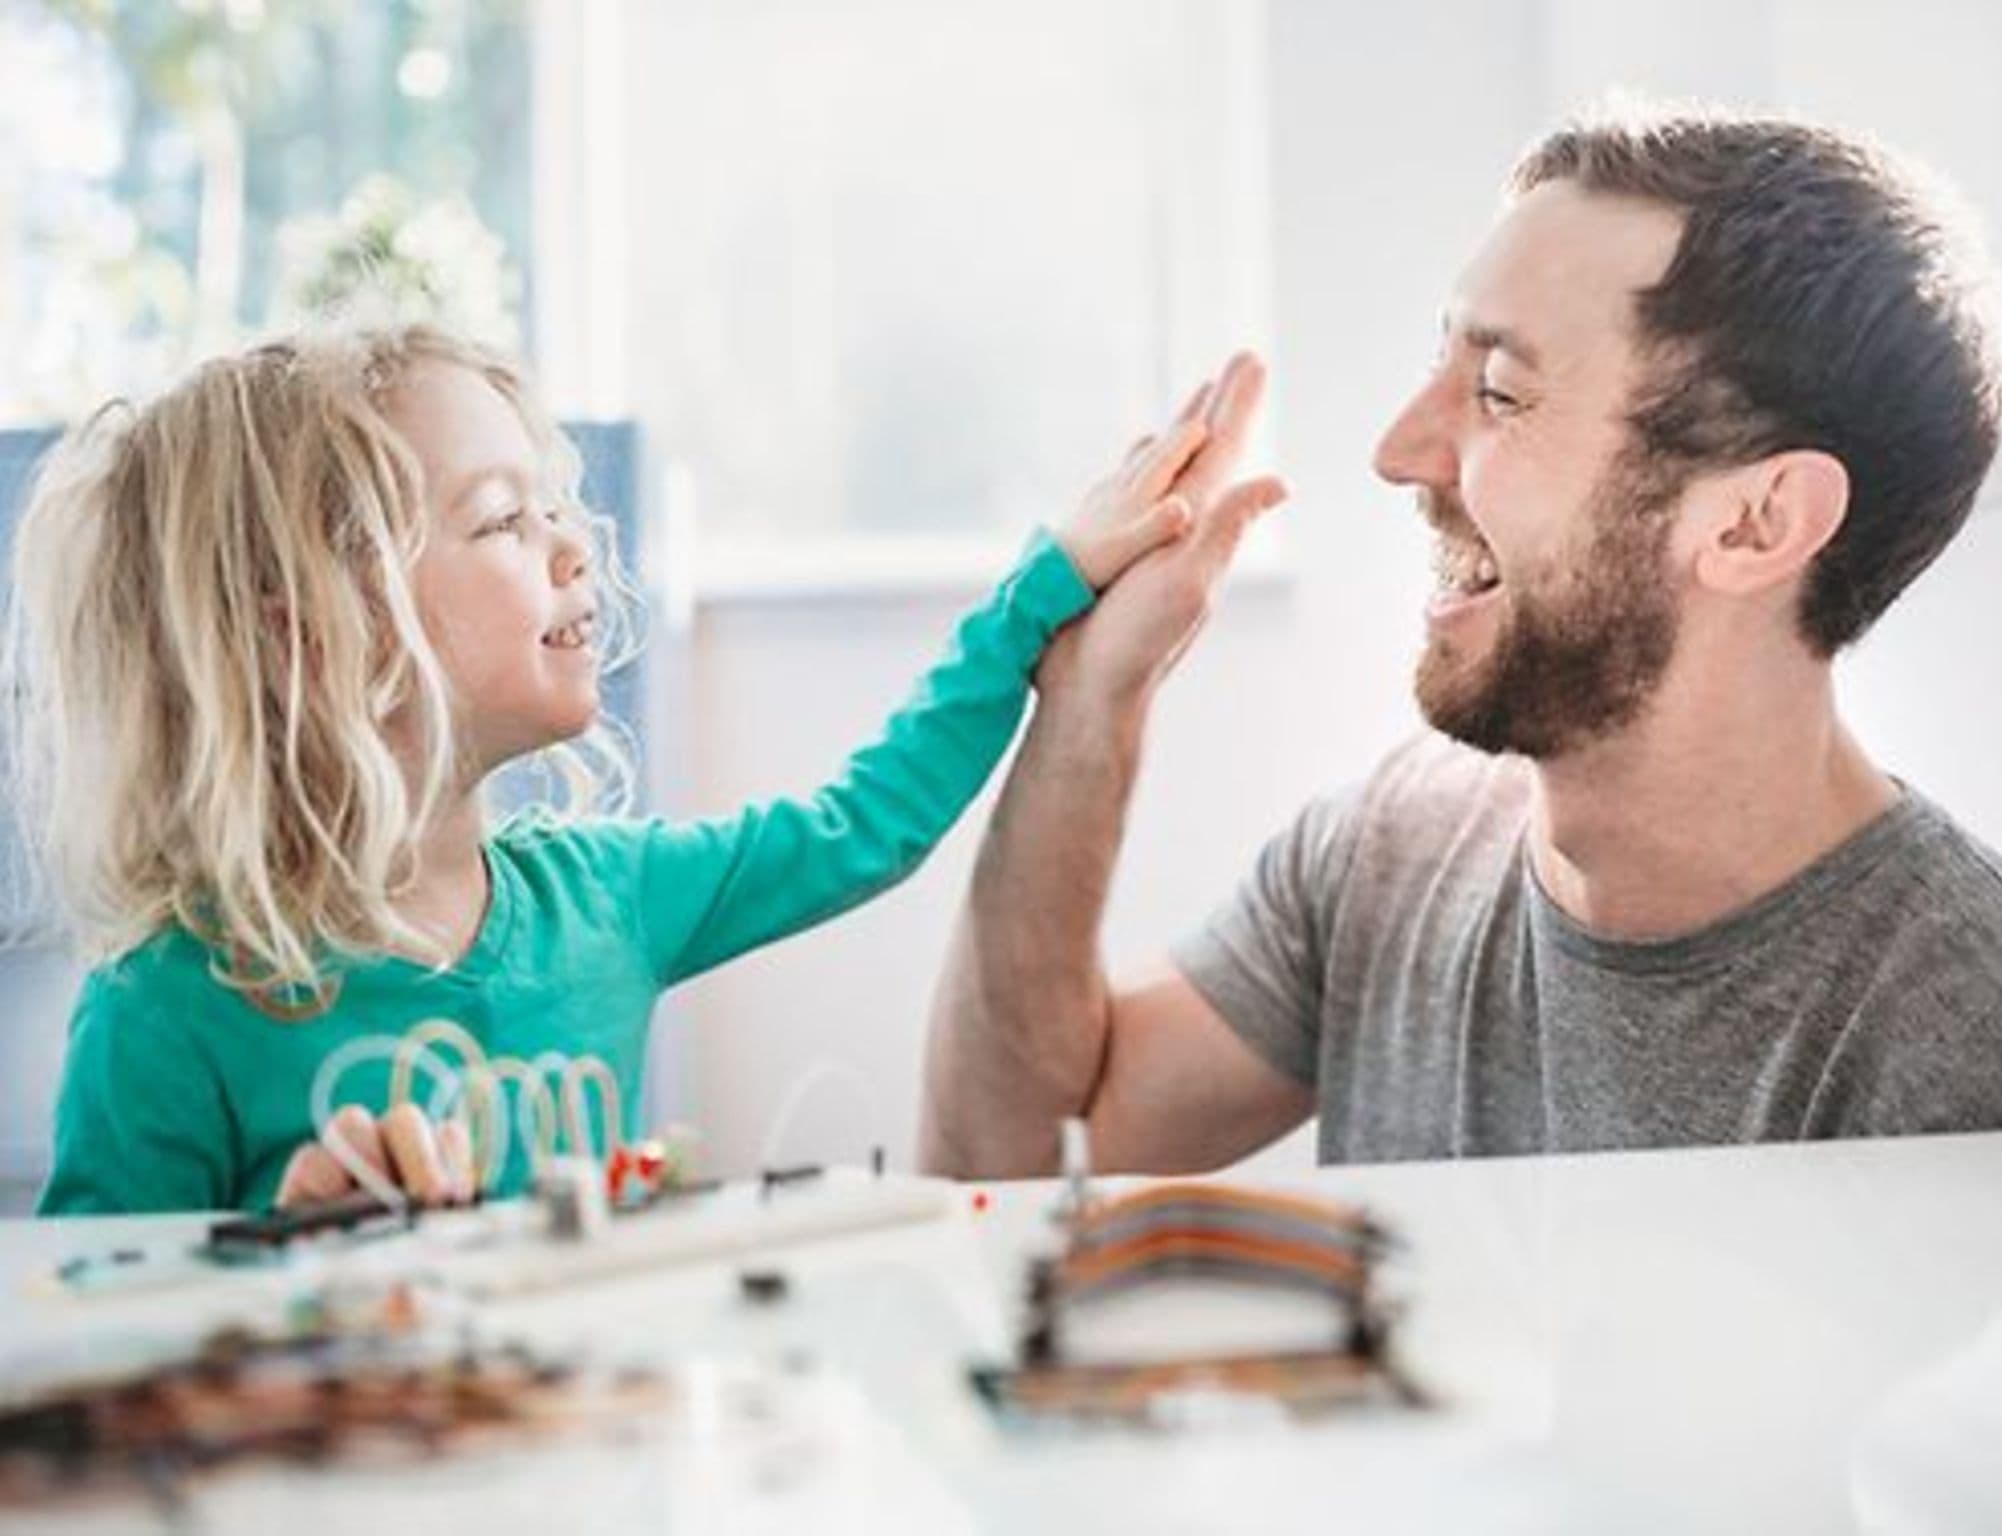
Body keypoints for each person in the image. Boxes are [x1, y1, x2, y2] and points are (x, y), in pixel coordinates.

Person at [920, 107, 2002, 1178]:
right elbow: (1004, 1164)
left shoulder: (1980, 1045)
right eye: (1439, 368)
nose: (1397, 449)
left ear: (1756, 522)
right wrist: (1089, 701)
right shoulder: (1393, 849)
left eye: (1500, 394)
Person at [12, 322, 1278, 1213]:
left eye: (553, 504)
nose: (575, 545)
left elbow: (867, 824)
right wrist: (271, 1267)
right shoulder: (170, 1007)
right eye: (505, 519)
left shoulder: (607, 898)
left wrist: (1045, 586)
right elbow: (81, 1345)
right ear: (310, 624)